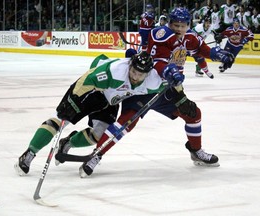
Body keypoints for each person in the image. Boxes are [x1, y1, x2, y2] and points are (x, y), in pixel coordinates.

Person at [57, 7, 235, 178]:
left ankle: (196, 151)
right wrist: (168, 71)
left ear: (188, 25)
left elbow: (205, 50)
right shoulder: (162, 34)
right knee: (126, 123)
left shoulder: (190, 37)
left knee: (193, 114)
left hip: (169, 89)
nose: (179, 29)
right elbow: (157, 62)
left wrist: (222, 55)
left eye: (183, 25)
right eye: (176, 25)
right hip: (144, 87)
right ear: (170, 24)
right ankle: (96, 155)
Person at [14, 51, 183, 176]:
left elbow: (171, 82)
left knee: (99, 135)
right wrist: (74, 97)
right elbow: (89, 78)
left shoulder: (152, 81)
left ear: (147, 74)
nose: (135, 76)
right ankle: (29, 154)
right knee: (60, 121)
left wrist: (178, 85)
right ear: (130, 65)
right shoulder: (116, 71)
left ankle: (68, 142)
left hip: (109, 100)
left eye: (140, 74)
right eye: (133, 71)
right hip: (91, 91)